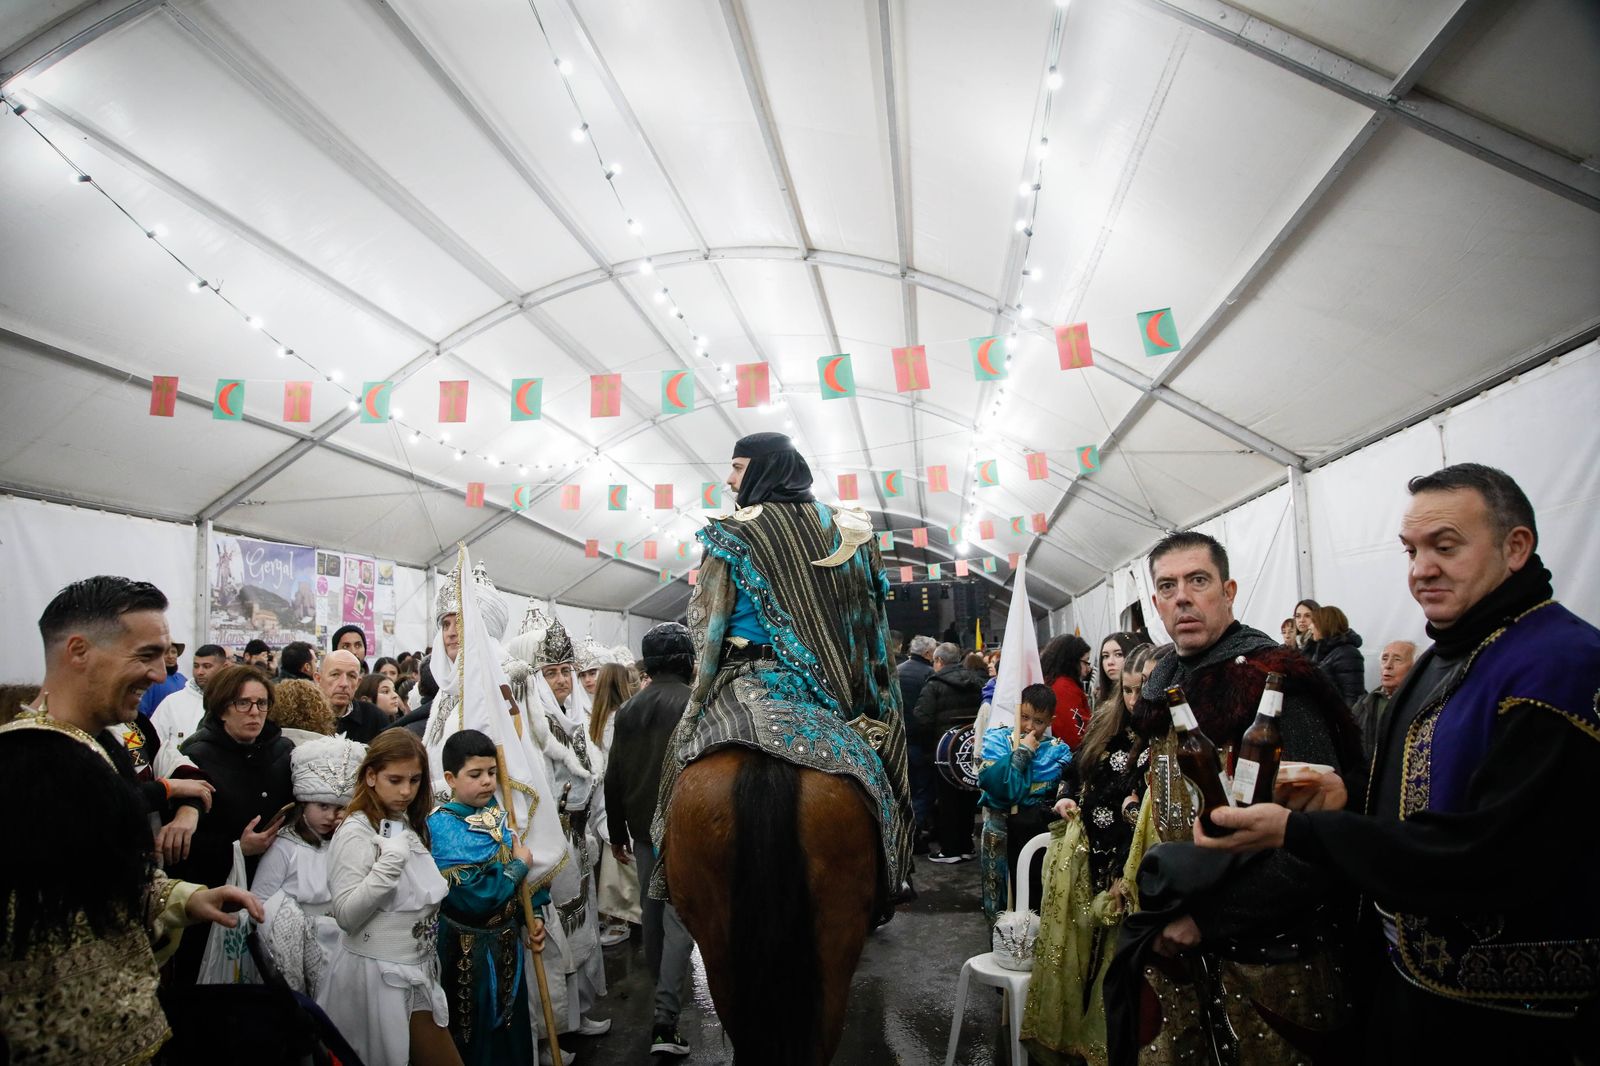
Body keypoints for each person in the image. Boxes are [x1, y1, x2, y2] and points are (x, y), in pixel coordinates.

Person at [1196, 463, 1600, 1062]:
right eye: (1411, 549)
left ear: (1516, 548)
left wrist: (1299, 830)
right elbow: (1413, 804)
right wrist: (1345, 794)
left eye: (1445, 546)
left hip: (1514, 1022)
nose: (1421, 569)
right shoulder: (1448, 653)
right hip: (1410, 993)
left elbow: (1490, 853)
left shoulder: (1558, 663)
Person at [1101, 532, 1362, 1066]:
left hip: (1272, 961)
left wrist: (1210, 920)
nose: (1182, 598)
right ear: (1155, 605)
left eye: (1198, 581)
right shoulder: (1164, 683)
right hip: (1179, 953)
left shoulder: (1273, 682)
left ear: (1228, 590)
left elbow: (1318, 841)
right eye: (1167, 586)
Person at [650, 432, 916, 919]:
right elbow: (870, 626)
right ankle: (892, 873)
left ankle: (667, 872)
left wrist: (697, 701)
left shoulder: (733, 530)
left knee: (679, 764)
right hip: (836, 687)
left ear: (766, 469)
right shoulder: (849, 526)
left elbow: (707, 625)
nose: (730, 480)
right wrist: (862, 695)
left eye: (737, 467)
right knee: (877, 776)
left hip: (745, 676)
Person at [0, 575, 262, 1063]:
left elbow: (102, 885)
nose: (161, 674)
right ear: (79, 651)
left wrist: (187, 898)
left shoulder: (103, 745)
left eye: (163, 656)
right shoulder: (29, 765)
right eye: (145, 656)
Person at [426, 557, 581, 1064]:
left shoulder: (505, 680)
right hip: (447, 849)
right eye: (444, 623)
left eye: (458, 621)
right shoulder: (444, 695)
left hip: (501, 840)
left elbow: (521, 767)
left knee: (510, 993)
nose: (451, 632)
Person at [1024, 644, 1158, 1066]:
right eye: (1129, 691)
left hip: (1126, 873)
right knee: (1080, 971)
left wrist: (1125, 869)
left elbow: (1151, 823)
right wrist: (1065, 798)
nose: (1135, 700)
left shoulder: (1164, 743)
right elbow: (1073, 769)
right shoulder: (1109, 723)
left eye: (1144, 690)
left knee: (1111, 977)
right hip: (1085, 862)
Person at [167, 663, 296, 982]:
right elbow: (181, 846)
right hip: (213, 900)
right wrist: (238, 848)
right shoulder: (194, 759)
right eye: (244, 703)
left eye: (262, 703)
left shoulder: (283, 751)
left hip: (273, 890)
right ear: (222, 708)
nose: (255, 712)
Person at [605, 622, 696, 1057]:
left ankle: (665, 992)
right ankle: (666, 1016)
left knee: (653, 915)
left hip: (643, 833)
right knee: (680, 918)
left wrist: (617, 831)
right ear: (689, 660)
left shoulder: (628, 710)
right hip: (686, 830)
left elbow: (614, 775)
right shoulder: (697, 705)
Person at [429, 729, 547, 1066]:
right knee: (475, 1036)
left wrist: (532, 916)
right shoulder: (441, 828)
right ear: (451, 778)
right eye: (475, 774)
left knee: (514, 1034)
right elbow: (474, 897)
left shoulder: (497, 813)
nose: (487, 782)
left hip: (508, 942)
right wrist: (518, 868)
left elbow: (521, 873)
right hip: (469, 952)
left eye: (492, 773)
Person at [252, 734, 365, 995]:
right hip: (297, 943)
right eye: (322, 805)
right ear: (303, 805)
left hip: (341, 941)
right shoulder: (285, 845)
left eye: (340, 808)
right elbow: (260, 899)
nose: (330, 816)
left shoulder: (350, 842)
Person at [976, 683, 1071, 921]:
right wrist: (1023, 753)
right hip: (999, 831)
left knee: (1032, 899)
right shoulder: (996, 739)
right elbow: (1002, 789)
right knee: (996, 899)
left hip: (1034, 835)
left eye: (1038, 721)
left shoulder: (1058, 751)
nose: (1029, 726)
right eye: (1025, 717)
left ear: (1050, 720)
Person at [912, 641, 985, 864]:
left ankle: (950, 850)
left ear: (939, 661)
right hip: (971, 750)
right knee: (968, 798)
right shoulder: (977, 682)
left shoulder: (934, 685)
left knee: (947, 802)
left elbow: (922, 718)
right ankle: (967, 846)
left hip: (943, 753)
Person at [588, 662, 640, 947]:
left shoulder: (607, 720)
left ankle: (622, 919)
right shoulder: (618, 717)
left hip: (610, 799)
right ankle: (621, 917)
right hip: (614, 798)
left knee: (618, 866)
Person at [148, 643, 228, 771]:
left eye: (207, 666)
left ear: (224, 667)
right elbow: (153, 743)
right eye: (196, 666)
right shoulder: (172, 702)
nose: (200, 672)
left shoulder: (234, 702)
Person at [897, 634, 938, 848]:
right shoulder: (929, 674)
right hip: (922, 744)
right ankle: (915, 836)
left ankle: (904, 833)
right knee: (923, 791)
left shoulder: (898, 671)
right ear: (928, 653)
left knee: (907, 789)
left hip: (901, 741)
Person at [1349, 640, 1415, 762]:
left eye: (1397, 659)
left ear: (1414, 667)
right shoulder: (1363, 704)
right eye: (1384, 659)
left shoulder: (1420, 705)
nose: (1388, 665)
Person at [1040, 634, 1093, 749]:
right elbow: (1074, 736)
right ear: (1072, 661)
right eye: (1085, 662)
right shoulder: (1065, 688)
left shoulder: (1051, 681)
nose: (1088, 669)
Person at [322, 648, 385, 742]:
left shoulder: (374, 718)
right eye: (335, 675)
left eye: (351, 676)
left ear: (358, 683)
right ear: (318, 679)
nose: (344, 684)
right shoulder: (303, 716)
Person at [1309, 604, 1367, 706]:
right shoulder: (1322, 651)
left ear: (1325, 624)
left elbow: (1353, 698)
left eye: (1313, 623)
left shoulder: (1347, 654)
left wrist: (1344, 721)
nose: (1310, 627)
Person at [135, 637, 188, 719]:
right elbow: (141, 712)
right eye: (166, 652)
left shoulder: (183, 680)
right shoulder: (150, 680)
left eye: (173, 652)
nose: (170, 656)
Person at [1093, 631, 1143, 706]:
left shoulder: (1141, 697)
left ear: (1133, 656)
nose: (1110, 662)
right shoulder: (1101, 700)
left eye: (1118, 654)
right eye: (1106, 656)